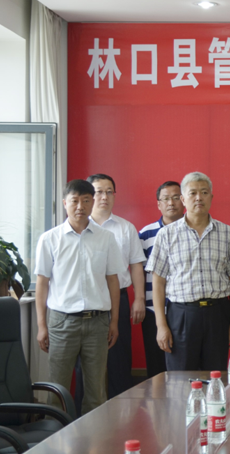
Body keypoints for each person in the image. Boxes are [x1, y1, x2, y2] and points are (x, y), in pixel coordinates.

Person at [34, 179, 125, 414]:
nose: (80, 207)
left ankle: (95, 436)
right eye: (74, 201)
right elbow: (42, 284)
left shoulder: (106, 238)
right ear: (65, 203)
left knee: (96, 391)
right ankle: (56, 434)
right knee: (58, 389)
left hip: (98, 322)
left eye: (85, 201)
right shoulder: (50, 238)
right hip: (62, 322)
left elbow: (112, 281)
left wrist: (114, 321)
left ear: (92, 203)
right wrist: (42, 326)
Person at [147, 172, 230, 371]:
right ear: (183, 199)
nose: (199, 198)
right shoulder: (166, 234)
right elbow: (158, 282)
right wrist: (161, 325)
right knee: (179, 378)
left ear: (211, 197)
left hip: (217, 314)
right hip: (181, 315)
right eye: (193, 193)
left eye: (204, 192)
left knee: (215, 375)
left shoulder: (227, 233)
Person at [86, 173, 146, 398]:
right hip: (87, 301)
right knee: (86, 364)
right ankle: (85, 416)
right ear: (89, 196)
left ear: (114, 195)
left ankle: (121, 413)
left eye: (109, 192)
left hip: (117, 299)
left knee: (119, 361)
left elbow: (136, 265)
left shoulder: (125, 228)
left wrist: (139, 298)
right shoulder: (79, 226)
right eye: (98, 192)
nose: (104, 197)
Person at [138, 181, 185, 378]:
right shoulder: (145, 234)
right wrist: (140, 300)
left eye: (175, 198)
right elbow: (139, 272)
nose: (171, 203)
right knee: (156, 368)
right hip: (152, 311)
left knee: (184, 367)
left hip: (184, 311)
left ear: (183, 200)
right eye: (166, 199)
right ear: (159, 204)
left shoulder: (193, 231)